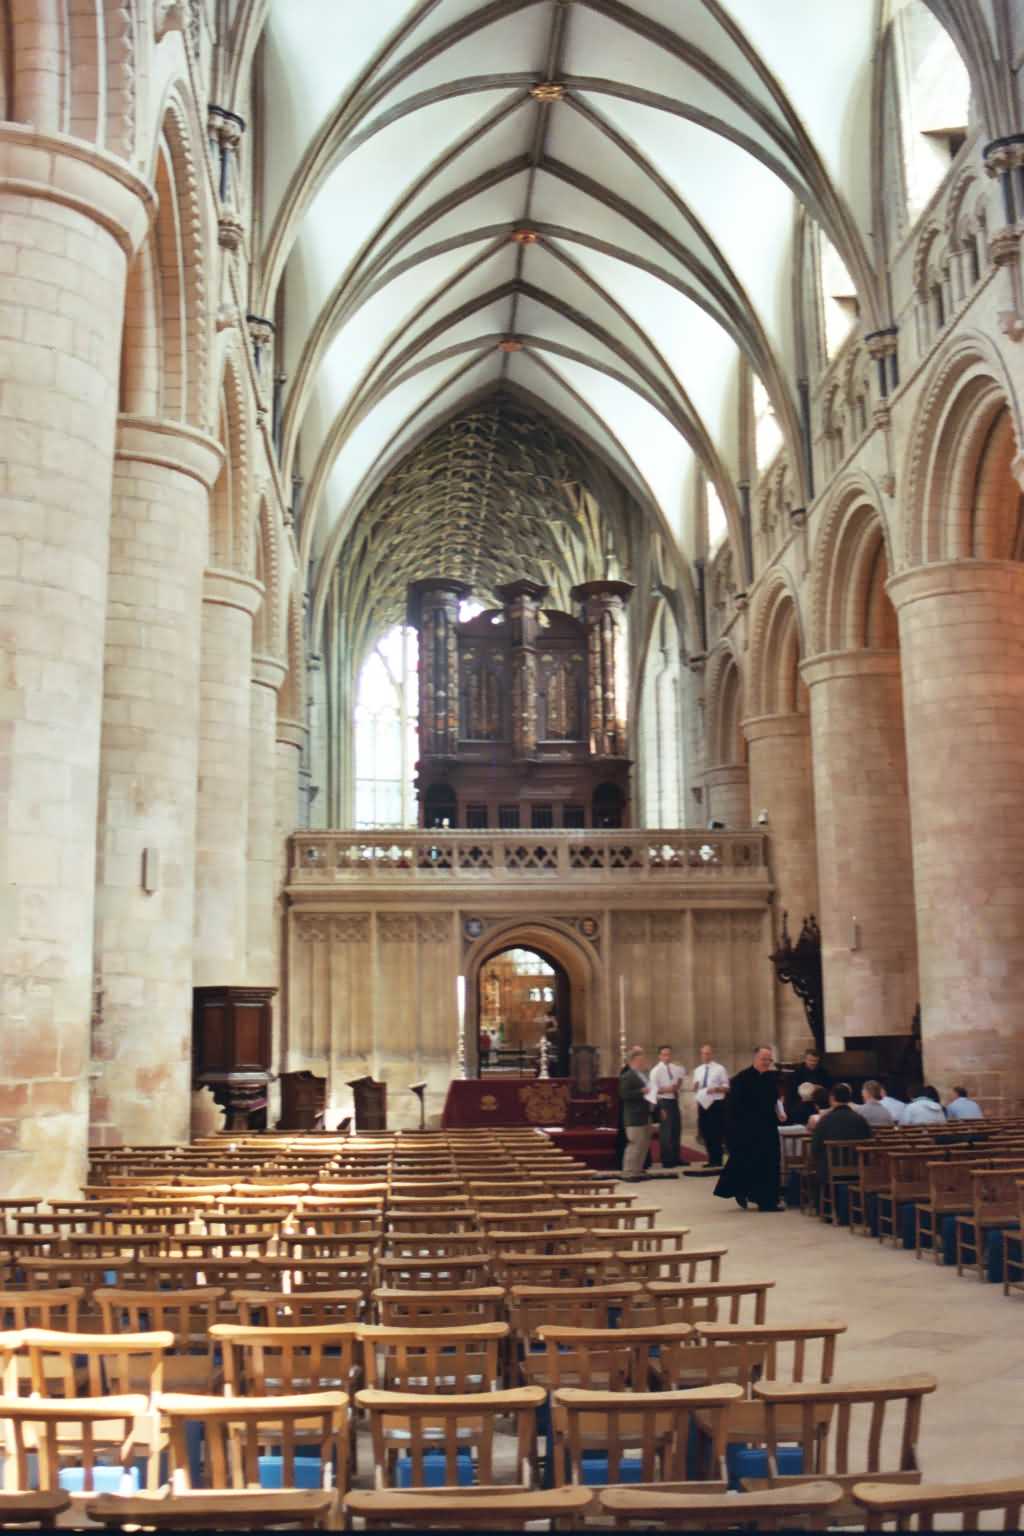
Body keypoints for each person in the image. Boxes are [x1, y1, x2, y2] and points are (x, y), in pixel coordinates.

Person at [714, 1045, 786, 1212]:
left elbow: (775, 1101)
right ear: (755, 1059)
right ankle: (743, 1192)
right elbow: (732, 1109)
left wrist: (779, 1113)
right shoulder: (741, 1080)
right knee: (746, 1163)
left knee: (769, 1163)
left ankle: (767, 1201)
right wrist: (734, 1133)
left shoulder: (771, 1079)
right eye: (763, 1059)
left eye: (769, 1059)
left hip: (768, 1128)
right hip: (747, 1130)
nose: (767, 1062)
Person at [811, 1082, 872, 1182]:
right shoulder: (860, 1119)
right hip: (858, 1168)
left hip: (829, 1171)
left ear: (832, 1098)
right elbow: (869, 1142)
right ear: (849, 1099)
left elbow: (815, 1148)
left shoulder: (825, 1120)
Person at [619, 1047, 654, 1182]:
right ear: (634, 1060)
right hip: (634, 1116)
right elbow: (624, 1094)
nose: (644, 1061)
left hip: (645, 1114)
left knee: (643, 1144)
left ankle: (638, 1169)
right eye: (641, 1059)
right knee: (635, 1144)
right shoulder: (627, 1076)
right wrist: (642, 1091)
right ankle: (628, 1171)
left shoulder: (643, 1074)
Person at [692, 1042, 729, 1167]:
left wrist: (716, 1089)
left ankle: (717, 1160)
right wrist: (695, 1087)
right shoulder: (698, 1070)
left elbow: (727, 1087)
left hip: (716, 1103)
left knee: (716, 1132)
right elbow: (696, 1087)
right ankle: (711, 1159)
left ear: (711, 1054)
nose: (705, 1056)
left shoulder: (719, 1069)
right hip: (703, 1103)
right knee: (705, 1131)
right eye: (703, 1054)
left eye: (707, 1053)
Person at [650, 1044, 686, 1171]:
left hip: (674, 1100)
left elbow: (680, 1078)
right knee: (666, 1131)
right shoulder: (656, 1071)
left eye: (669, 1054)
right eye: (664, 1055)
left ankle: (676, 1157)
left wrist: (677, 1085)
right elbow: (653, 1089)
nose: (667, 1057)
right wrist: (666, 1089)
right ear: (660, 1056)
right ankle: (667, 1159)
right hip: (663, 1101)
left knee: (676, 1128)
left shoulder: (674, 1068)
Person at [788, 1047, 831, 1113]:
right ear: (805, 1059)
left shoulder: (823, 1072)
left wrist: (820, 1088)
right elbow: (792, 1090)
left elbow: (828, 1088)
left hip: (818, 1103)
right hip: (801, 1103)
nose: (813, 1063)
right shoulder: (798, 1072)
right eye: (810, 1060)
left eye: (815, 1061)